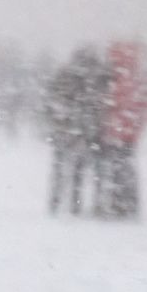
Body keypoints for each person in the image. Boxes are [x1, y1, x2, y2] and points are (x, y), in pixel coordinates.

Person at [43, 47, 108, 217]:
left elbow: (54, 103)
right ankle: (76, 204)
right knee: (80, 170)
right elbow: (99, 107)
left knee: (62, 169)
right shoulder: (98, 79)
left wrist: (61, 124)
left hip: (68, 131)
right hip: (87, 132)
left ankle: (58, 202)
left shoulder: (66, 77)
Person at [95, 41, 147, 220]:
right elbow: (146, 102)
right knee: (127, 168)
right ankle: (128, 203)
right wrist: (138, 123)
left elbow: (106, 103)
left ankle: (117, 203)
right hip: (129, 133)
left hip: (115, 131)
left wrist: (108, 121)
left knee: (116, 168)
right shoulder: (138, 77)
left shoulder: (113, 77)